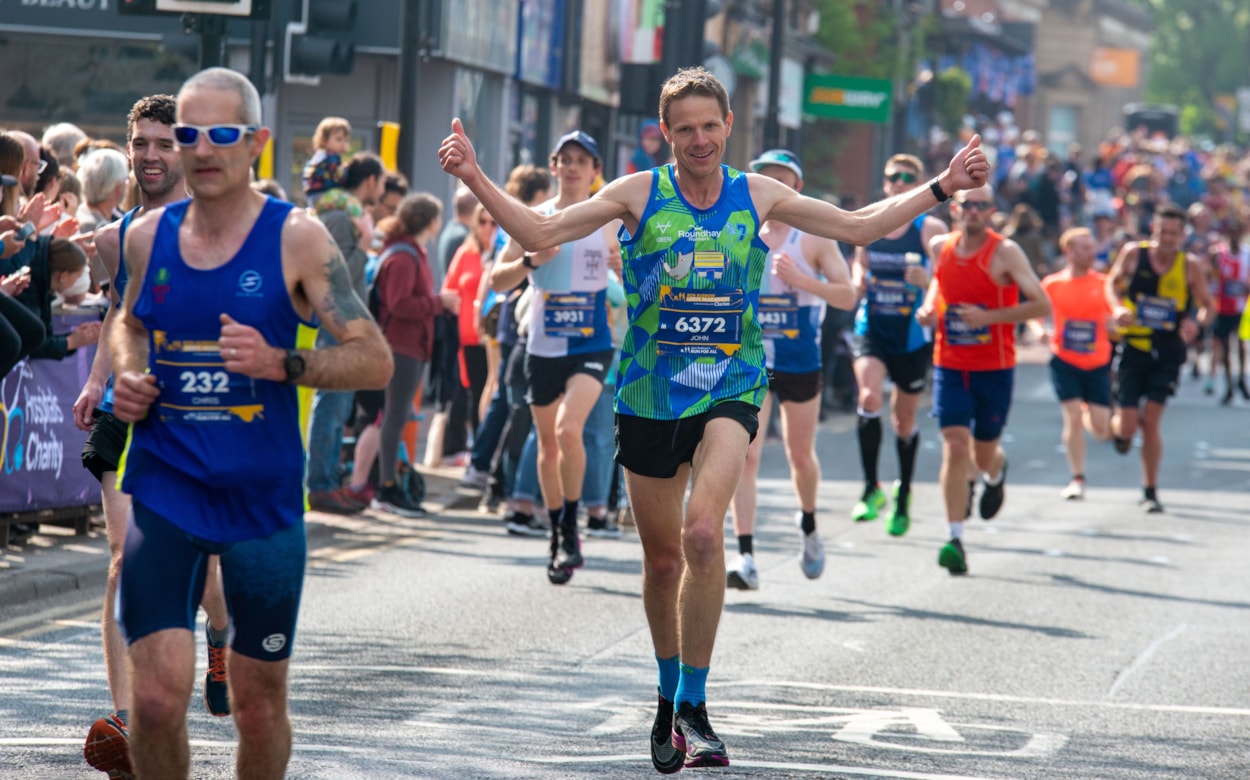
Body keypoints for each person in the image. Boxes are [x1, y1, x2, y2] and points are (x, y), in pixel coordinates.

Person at [439, 65, 988, 770]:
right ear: (665, 135)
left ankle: (697, 707)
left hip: (732, 381)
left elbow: (861, 224)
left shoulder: (757, 193)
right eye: (684, 129)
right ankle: (667, 698)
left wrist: (943, 185)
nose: (699, 140)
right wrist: (476, 178)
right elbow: (538, 226)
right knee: (663, 559)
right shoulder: (636, 194)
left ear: (730, 127)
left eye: (710, 126)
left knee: (704, 533)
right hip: (646, 392)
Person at [109, 67, 392, 779]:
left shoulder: (297, 240)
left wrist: (284, 365)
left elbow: (375, 359)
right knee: (153, 700)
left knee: (258, 705)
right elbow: (129, 321)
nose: (202, 150)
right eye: (189, 135)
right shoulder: (146, 237)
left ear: (257, 142)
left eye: (222, 135)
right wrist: (129, 371)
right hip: (167, 486)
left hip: (260, 504)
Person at [69, 94, 237, 780]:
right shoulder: (119, 233)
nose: (149, 155)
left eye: (164, 143)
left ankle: (222, 633)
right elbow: (119, 309)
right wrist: (93, 381)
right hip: (127, 408)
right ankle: (129, 717)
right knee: (121, 557)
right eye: (140, 143)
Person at [487, 130, 620, 583]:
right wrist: (529, 261)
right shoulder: (533, 218)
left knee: (569, 430)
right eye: (565, 158)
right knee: (547, 445)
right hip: (542, 345)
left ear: (595, 169)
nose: (573, 166)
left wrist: (626, 266)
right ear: (554, 164)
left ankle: (571, 527)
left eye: (582, 159)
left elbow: (643, 268)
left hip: (592, 343)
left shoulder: (608, 220)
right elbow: (496, 282)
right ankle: (559, 529)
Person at [725, 148, 855, 590]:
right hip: (750, 359)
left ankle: (809, 525)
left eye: (782, 179)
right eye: (766, 178)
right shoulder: (739, 232)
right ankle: (745, 555)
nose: (773, 186)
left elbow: (847, 296)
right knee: (747, 455)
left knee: (800, 455)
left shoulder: (813, 237)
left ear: (796, 188)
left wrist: (802, 281)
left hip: (800, 359)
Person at [916, 185, 1050, 575]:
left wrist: (988, 318)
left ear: (991, 211)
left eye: (981, 206)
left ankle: (996, 471)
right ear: (955, 209)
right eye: (967, 205)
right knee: (955, 446)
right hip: (950, 362)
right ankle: (954, 537)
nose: (973, 211)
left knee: (983, 453)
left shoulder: (1005, 251)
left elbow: (1041, 303)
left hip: (995, 366)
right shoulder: (940, 246)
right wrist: (928, 309)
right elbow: (940, 283)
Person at [849, 154, 947, 537]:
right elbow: (860, 261)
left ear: (919, 182)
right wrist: (858, 280)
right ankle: (871, 488)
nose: (901, 182)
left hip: (910, 333)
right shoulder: (870, 218)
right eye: (894, 176)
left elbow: (943, 278)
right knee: (869, 398)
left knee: (903, 421)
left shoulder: (930, 226)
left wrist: (927, 289)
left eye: (909, 177)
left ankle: (903, 493)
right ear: (885, 182)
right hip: (873, 324)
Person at [1105, 204, 1213, 513]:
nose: (1166, 238)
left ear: (1182, 236)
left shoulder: (1189, 265)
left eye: (1173, 234)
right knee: (1128, 426)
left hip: (1168, 351)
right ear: (1153, 230)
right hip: (1134, 347)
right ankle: (1120, 431)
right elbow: (1111, 284)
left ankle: (1150, 490)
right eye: (1161, 231)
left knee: (1151, 422)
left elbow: (1208, 304)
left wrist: (1197, 323)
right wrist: (1117, 308)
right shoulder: (1133, 254)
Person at [303, 152, 387, 514]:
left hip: (350, 326)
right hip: (335, 325)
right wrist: (365, 247)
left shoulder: (348, 214)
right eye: (381, 182)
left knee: (339, 407)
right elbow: (335, 279)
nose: (382, 190)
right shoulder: (338, 217)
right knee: (332, 405)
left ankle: (328, 482)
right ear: (369, 182)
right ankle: (319, 486)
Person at [372, 192, 455, 515]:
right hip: (400, 346)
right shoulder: (404, 255)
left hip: (411, 346)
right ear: (429, 221)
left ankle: (390, 483)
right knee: (394, 417)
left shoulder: (409, 250)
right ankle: (387, 487)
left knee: (397, 416)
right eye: (437, 216)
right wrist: (440, 303)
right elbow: (399, 304)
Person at [1041, 227, 1114, 500]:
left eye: (1092, 246)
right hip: (1064, 359)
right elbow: (1035, 314)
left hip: (1097, 362)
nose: (1092, 252)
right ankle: (1077, 478)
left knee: (1100, 429)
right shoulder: (1052, 284)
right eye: (1085, 248)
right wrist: (1039, 332)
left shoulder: (1104, 283)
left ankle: (1089, 410)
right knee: (1070, 417)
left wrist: (1116, 323)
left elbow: (1116, 316)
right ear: (1069, 252)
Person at [1209, 219, 1248, 404]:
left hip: (1241, 308)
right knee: (1224, 347)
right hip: (1222, 307)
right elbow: (1209, 275)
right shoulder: (1219, 253)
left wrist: (1244, 288)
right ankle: (1229, 386)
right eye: (1231, 231)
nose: (1235, 235)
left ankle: (1241, 379)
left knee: (1241, 345)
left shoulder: (1247, 254)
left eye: (1237, 231)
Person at [301, 116, 351, 205]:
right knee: (350, 200)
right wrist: (347, 169)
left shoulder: (320, 155)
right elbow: (341, 177)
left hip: (312, 196)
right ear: (324, 140)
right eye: (338, 139)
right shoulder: (332, 157)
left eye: (346, 140)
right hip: (323, 195)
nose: (343, 143)